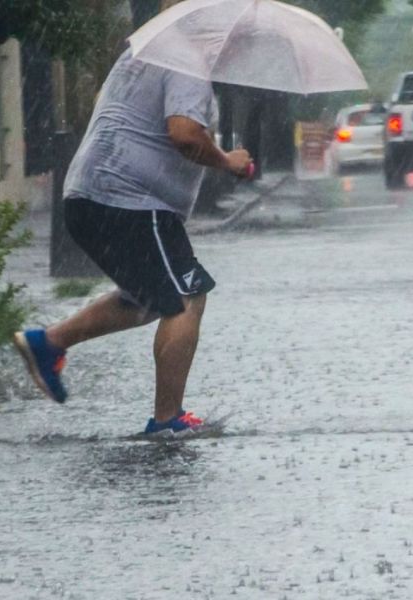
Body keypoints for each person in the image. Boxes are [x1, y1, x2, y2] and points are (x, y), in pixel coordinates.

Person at [13, 49, 252, 435]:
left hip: (94, 196)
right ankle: (167, 420)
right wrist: (227, 160)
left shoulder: (145, 54)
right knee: (187, 296)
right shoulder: (187, 61)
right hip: (131, 200)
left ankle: (49, 343)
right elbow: (184, 133)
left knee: (149, 298)